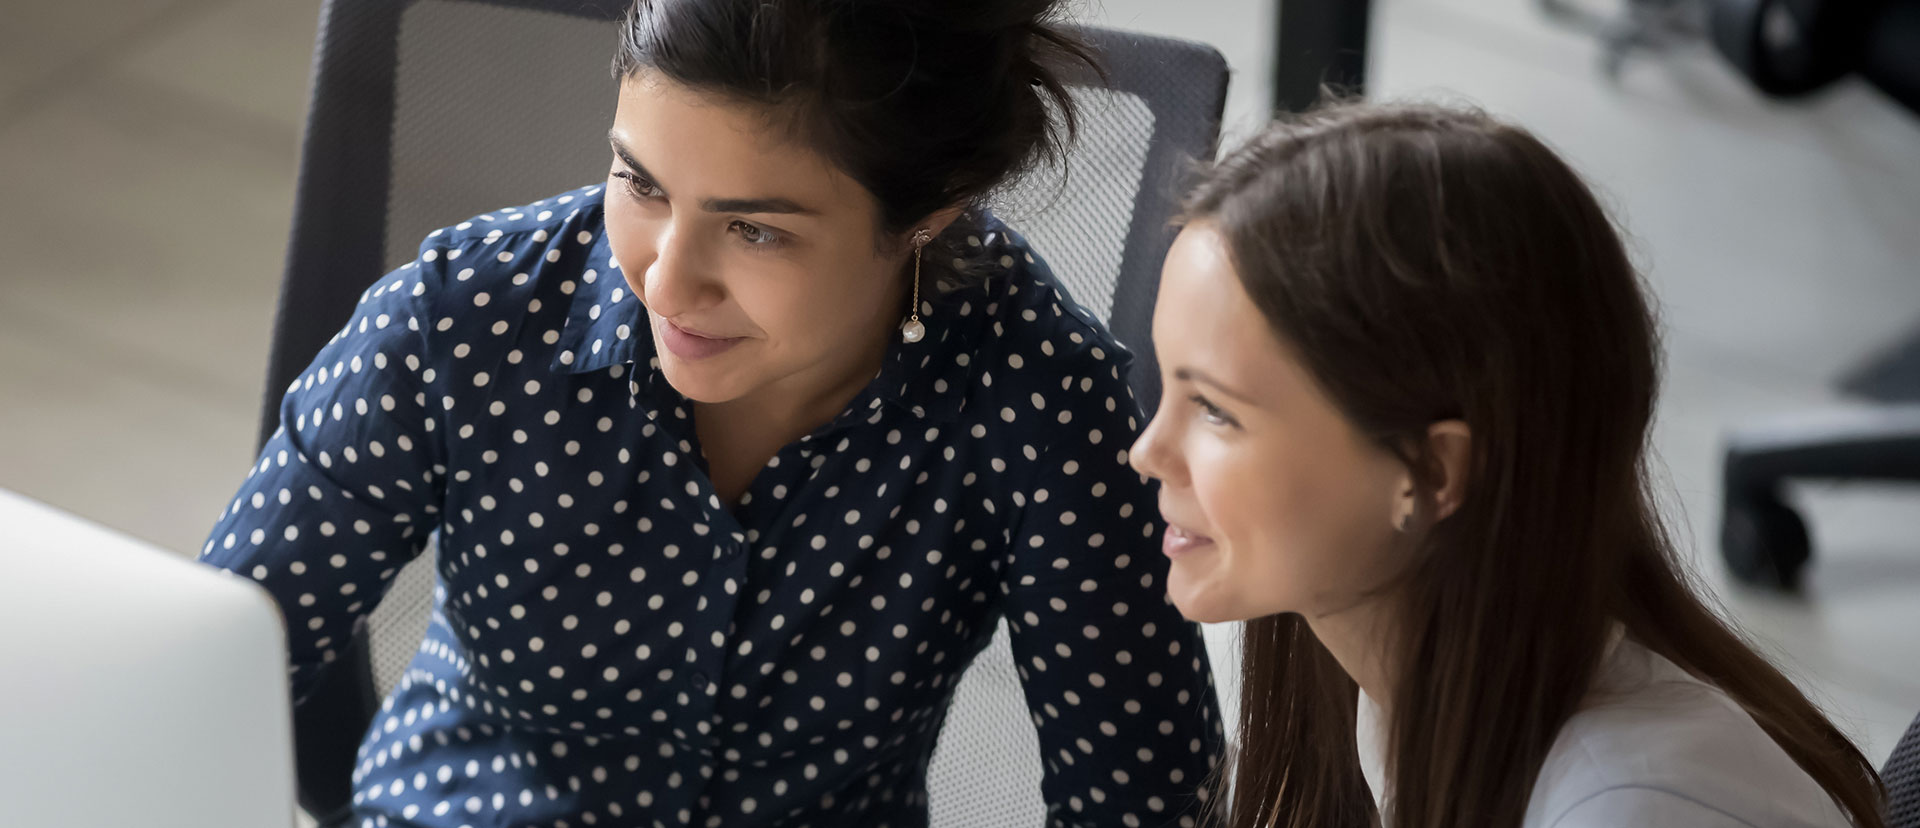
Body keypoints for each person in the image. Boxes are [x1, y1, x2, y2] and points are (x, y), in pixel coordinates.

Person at [199, 1, 1224, 825]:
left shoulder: (1035, 399)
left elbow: (1140, 800)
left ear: (931, 210)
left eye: (755, 231)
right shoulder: (461, 319)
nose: (666, 280)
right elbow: (200, 671)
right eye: (639, 184)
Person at [1129, 102, 1886, 828]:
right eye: (1168, 388)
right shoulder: (1393, 694)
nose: (1146, 451)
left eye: (1216, 411)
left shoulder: (1630, 808)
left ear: (1431, 472)